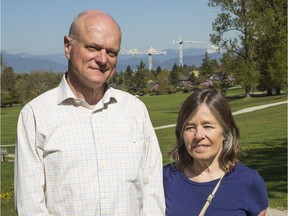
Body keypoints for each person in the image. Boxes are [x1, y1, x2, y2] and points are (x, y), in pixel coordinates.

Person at [14, 10, 165, 215]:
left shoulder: (135, 111)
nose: (103, 59)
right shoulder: (35, 115)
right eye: (93, 47)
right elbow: (30, 205)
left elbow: (152, 191)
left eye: (111, 52)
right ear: (68, 46)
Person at [163, 89, 268, 216]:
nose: (199, 135)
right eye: (190, 127)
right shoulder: (164, 179)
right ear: (181, 133)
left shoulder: (249, 181)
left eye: (208, 126)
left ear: (225, 132)